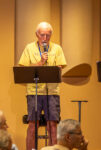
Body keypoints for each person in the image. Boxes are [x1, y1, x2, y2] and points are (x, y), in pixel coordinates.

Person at [18, 22, 67, 150]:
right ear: (36, 35)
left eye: (48, 35)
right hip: (34, 91)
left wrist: (56, 68)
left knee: (52, 125)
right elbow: (23, 69)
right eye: (42, 35)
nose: (45, 38)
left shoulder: (57, 48)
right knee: (33, 125)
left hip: (52, 91)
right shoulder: (29, 48)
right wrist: (40, 62)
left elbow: (60, 67)